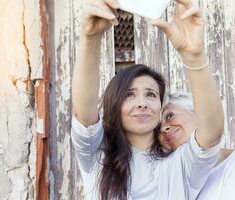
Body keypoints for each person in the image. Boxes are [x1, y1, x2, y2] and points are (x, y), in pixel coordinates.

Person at [71, 0, 224, 199]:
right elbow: (84, 110)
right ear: (114, 104)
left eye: (151, 94)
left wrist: (194, 57)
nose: (142, 103)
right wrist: (90, 38)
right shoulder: (98, 155)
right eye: (129, 94)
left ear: (160, 107)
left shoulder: (181, 163)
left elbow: (212, 133)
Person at [158, 93, 235, 200]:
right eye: (156, 129)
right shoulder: (170, 182)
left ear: (197, 114)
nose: (163, 128)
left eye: (169, 116)